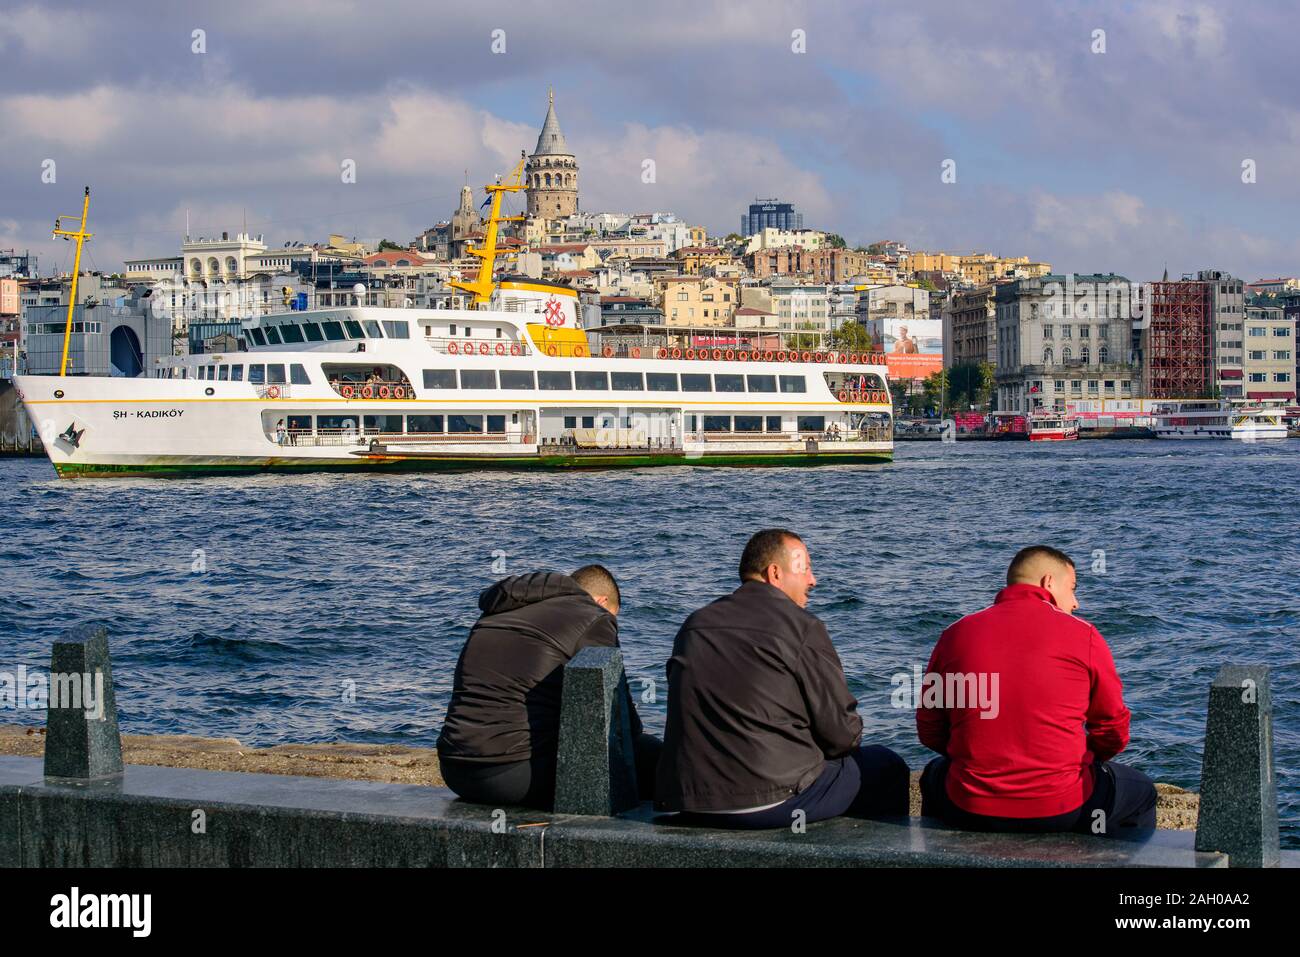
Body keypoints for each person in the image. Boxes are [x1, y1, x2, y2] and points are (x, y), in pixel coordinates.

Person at [655, 529, 909, 828]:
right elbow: (842, 736)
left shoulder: (694, 625)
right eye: (806, 569)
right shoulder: (801, 626)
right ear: (775, 573)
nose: (813, 580)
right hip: (771, 801)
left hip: (690, 800)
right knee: (886, 766)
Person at [917, 545, 1157, 838]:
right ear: (1048, 582)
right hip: (1064, 809)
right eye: (1072, 588)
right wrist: (1086, 757)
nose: (1076, 602)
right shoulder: (1084, 635)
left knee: (933, 775)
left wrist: (972, 756)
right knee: (1143, 792)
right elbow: (1113, 729)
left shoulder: (954, 634)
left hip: (969, 807)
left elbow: (929, 728)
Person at [437, 565, 660, 810]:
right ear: (601, 601)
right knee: (653, 760)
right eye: (613, 615)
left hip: (454, 769)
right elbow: (614, 708)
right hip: (513, 774)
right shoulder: (594, 616)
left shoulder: (501, 608)